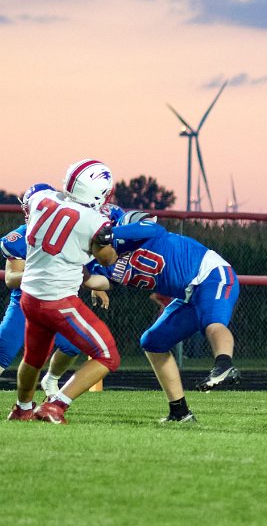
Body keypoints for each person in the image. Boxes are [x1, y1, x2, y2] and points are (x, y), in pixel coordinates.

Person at [86, 210, 241, 423]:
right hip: (187, 295)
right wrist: (82, 278)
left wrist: (109, 233)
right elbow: (101, 281)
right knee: (152, 342)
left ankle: (224, 365)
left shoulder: (146, 232)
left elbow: (150, 227)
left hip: (211, 275)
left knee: (212, 322)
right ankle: (180, 412)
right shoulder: (109, 262)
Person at [9, 162, 121, 424]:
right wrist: (114, 241)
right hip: (59, 300)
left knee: (33, 358)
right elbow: (107, 259)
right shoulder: (95, 221)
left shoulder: (40, 198)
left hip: (30, 296)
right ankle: (55, 405)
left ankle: (22, 409)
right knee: (108, 355)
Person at [0, 218, 98, 398]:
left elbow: (86, 265)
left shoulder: (72, 233)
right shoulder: (21, 237)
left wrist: (95, 283)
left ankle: (51, 380)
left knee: (73, 344)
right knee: (4, 349)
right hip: (25, 301)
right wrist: (42, 272)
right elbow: (10, 279)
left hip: (60, 301)